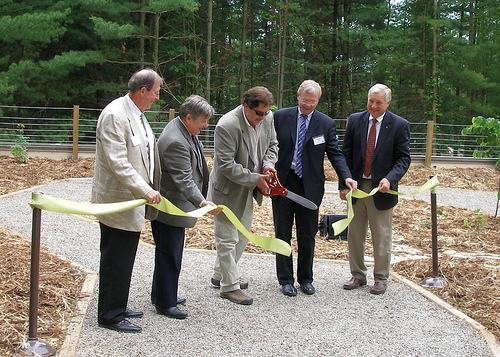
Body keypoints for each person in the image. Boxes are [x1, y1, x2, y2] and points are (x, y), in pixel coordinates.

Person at [91, 68, 163, 333]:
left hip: (133, 200)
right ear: (142, 90)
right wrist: (145, 190)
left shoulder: (137, 114)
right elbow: (118, 163)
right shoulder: (114, 115)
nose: (157, 98)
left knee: (125, 256)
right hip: (118, 200)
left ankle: (117, 304)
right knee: (116, 258)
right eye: (155, 93)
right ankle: (109, 315)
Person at [272, 79, 357, 297]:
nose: (309, 105)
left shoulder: (325, 123)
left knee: (307, 234)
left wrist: (345, 176)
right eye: (305, 100)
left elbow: (335, 153)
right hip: (283, 183)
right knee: (282, 233)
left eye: (313, 101)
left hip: (309, 186)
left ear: (318, 100)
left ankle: (306, 279)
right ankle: (285, 280)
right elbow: (268, 146)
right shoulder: (280, 117)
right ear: (298, 96)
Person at [151, 95, 221, 319]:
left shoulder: (182, 129)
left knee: (170, 253)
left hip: (176, 207)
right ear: (188, 117)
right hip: (171, 209)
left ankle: (164, 293)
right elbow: (184, 180)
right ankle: (165, 302)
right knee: (169, 255)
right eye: (202, 121)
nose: (205, 125)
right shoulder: (176, 141)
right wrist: (201, 202)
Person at [208, 86, 278, 305]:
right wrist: (255, 179)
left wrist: (268, 165)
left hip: (250, 186)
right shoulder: (227, 125)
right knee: (227, 238)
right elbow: (226, 165)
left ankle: (220, 275)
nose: (263, 117)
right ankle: (230, 287)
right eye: (259, 113)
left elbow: (273, 145)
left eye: (266, 113)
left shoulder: (268, 118)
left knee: (243, 235)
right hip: (227, 190)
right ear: (246, 106)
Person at [340, 83, 411, 295]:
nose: (373, 105)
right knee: (354, 234)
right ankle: (358, 275)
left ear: (388, 103)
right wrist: (344, 182)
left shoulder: (399, 125)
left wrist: (390, 179)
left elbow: (403, 158)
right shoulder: (355, 120)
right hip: (356, 188)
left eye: (378, 102)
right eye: (371, 101)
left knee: (381, 236)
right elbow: (345, 154)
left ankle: (380, 278)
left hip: (382, 190)